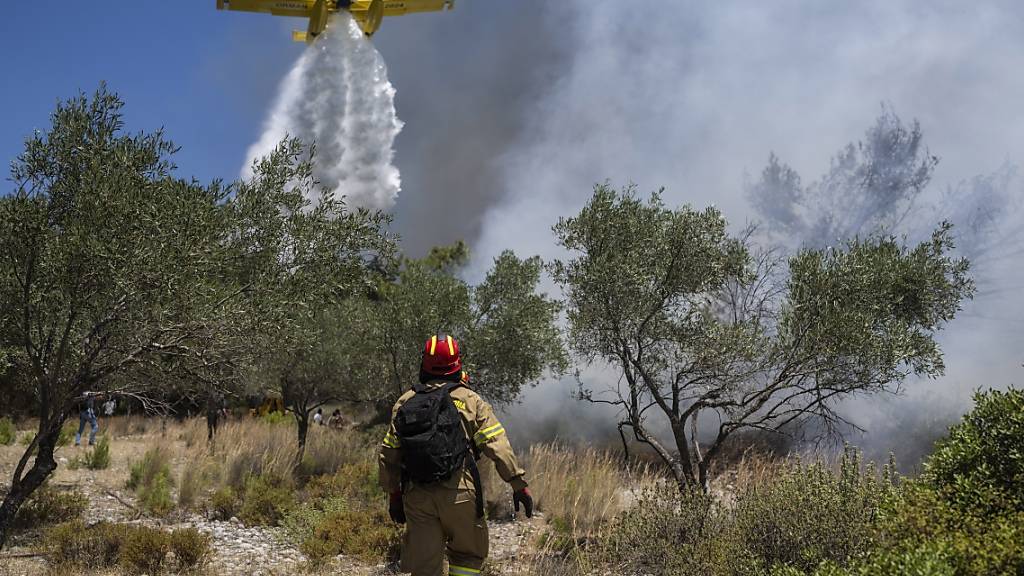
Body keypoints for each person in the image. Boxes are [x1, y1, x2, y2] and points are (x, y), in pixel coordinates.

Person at [380, 333, 533, 576]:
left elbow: (389, 455)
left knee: (425, 568)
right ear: (457, 363)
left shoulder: (406, 401)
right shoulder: (470, 400)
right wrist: (517, 484)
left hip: (418, 498)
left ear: (424, 363)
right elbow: (497, 445)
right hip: (461, 495)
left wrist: (395, 496)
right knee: (467, 559)